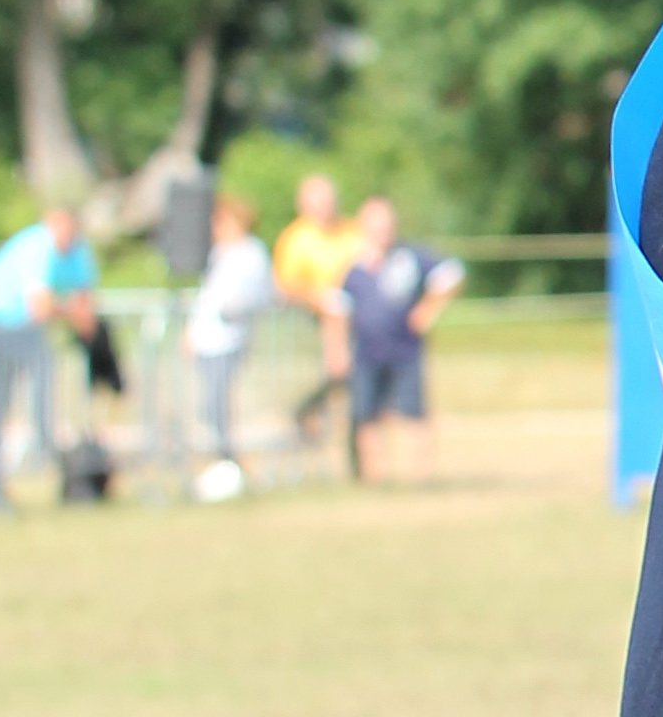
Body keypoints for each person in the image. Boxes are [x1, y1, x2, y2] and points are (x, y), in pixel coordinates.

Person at [0, 204, 100, 510]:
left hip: (22, 330)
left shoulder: (78, 252)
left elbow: (85, 310)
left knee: (43, 378)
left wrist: (72, 312)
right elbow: (40, 307)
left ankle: (58, 459)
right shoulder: (37, 247)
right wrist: (70, 311)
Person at [336, 197, 462, 484]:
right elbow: (339, 308)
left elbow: (452, 273)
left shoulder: (411, 257)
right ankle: (375, 479)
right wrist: (338, 349)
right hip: (366, 351)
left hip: (405, 349)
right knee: (366, 415)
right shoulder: (354, 266)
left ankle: (421, 478)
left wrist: (428, 307)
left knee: (414, 413)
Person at [181, 192, 271, 499]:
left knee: (221, 406)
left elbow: (253, 295)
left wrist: (233, 308)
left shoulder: (250, 254)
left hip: (229, 340)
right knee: (210, 406)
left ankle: (229, 462)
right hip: (207, 341)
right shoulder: (219, 254)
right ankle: (221, 461)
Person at [267, 171, 358, 451]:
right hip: (314, 320)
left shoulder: (352, 231)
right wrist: (321, 299)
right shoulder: (296, 239)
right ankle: (307, 411)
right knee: (340, 370)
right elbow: (283, 286)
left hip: (358, 316)